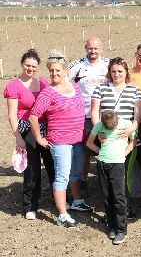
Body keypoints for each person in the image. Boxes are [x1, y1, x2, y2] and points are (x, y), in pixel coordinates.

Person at [28, 56, 90, 228]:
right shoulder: (48, 92)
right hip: (60, 141)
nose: (54, 73)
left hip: (78, 139)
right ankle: (62, 215)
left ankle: (77, 201)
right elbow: (34, 116)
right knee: (62, 176)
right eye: (51, 71)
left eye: (57, 70)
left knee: (75, 174)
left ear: (65, 72)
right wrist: (40, 138)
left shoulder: (76, 88)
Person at [90, 57, 141, 217]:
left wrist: (131, 129)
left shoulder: (135, 89)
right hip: (105, 137)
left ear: (126, 72)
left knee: (124, 173)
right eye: (113, 71)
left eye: (120, 71)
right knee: (107, 177)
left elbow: (138, 114)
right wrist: (98, 131)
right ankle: (110, 210)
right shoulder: (100, 89)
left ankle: (124, 207)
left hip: (125, 137)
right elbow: (94, 112)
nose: (116, 74)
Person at [4, 49, 54, 219]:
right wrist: (18, 137)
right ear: (22, 64)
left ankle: (59, 198)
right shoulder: (13, 86)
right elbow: (12, 115)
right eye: (28, 65)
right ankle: (29, 206)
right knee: (32, 169)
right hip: (27, 129)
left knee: (52, 164)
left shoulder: (43, 83)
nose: (30, 69)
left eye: (34, 66)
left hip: (45, 128)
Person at [86, 110, 135, 245]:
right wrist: (100, 151)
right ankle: (111, 225)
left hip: (118, 164)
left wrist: (124, 154)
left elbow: (133, 142)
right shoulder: (99, 126)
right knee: (107, 195)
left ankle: (121, 229)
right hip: (102, 163)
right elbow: (89, 143)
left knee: (119, 196)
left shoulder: (126, 124)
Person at [68, 37, 109, 191]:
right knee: (83, 151)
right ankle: (83, 180)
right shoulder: (76, 66)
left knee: (106, 147)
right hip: (83, 116)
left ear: (101, 48)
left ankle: (107, 181)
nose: (93, 51)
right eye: (90, 48)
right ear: (86, 47)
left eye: (96, 48)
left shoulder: (108, 65)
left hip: (106, 116)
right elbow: (66, 84)